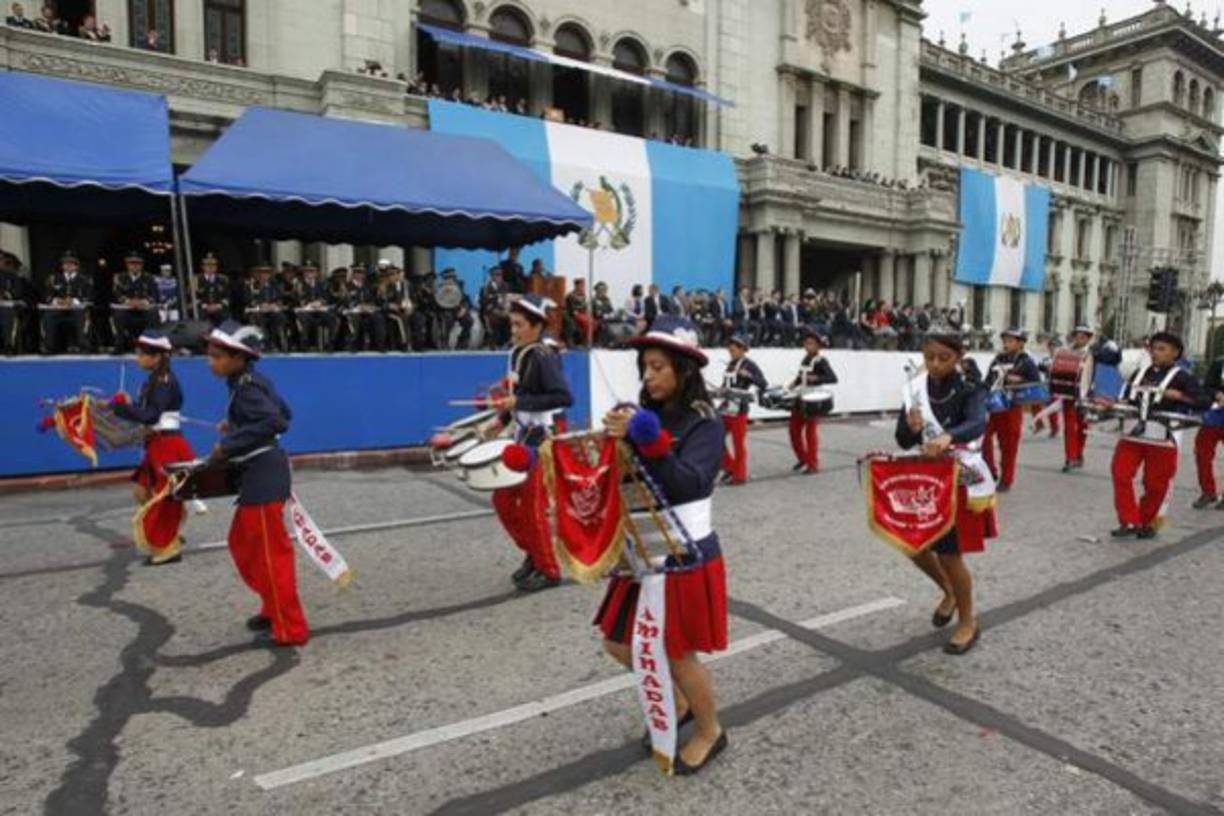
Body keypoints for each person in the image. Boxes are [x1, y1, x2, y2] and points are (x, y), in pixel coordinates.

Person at [596, 315, 729, 775]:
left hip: (684, 552)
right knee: (618, 642)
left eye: (658, 366)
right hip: (642, 549)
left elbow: (689, 484)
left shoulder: (706, 423)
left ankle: (712, 730)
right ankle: (679, 702)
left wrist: (648, 441)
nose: (649, 375)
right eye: (645, 366)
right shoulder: (643, 412)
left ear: (684, 370)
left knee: (676, 652)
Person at [205, 320, 308, 647]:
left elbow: (276, 421)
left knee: (269, 554)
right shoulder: (249, 381)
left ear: (239, 357)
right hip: (259, 473)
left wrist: (229, 443)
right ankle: (271, 606)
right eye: (211, 355)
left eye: (218, 356)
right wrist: (236, 424)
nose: (212, 362)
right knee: (242, 543)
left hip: (264, 473)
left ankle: (290, 627)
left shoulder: (247, 386)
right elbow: (284, 412)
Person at [896, 329, 996, 655]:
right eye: (929, 358)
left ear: (959, 358)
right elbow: (903, 440)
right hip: (926, 476)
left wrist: (948, 436)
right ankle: (949, 592)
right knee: (913, 546)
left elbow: (978, 422)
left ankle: (968, 621)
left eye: (944, 358)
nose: (935, 364)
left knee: (950, 556)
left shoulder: (971, 388)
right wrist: (910, 429)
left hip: (960, 476)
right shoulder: (915, 389)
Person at [490, 294, 573, 592]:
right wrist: (499, 420)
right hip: (519, 436)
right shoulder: (518, 353)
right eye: (512, 324)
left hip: (540, 440)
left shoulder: (542, 355)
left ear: (537, 326)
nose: (513, 330)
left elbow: (564, 397)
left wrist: (519, 400)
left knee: (531, 508)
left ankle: (549, 569)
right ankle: (533, 553)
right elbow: (518, 398)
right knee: (502, 500)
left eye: (519, 324)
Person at [110, 331, 197, 565]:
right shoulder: (154, 380)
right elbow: (145, 410)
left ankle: (168, 546)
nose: (138, 357)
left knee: (163, 497)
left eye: (143, 353)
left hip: (167, 444)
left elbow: (150, 416)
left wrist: (121, 409)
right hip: (157, 443)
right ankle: (172, 529)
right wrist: (128, 404)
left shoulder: (163, 381)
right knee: (141, 492)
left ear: (157, 357)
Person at [1110, 331, 1208, 539]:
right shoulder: (1139, 372)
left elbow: (1203, 401)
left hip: (1163, 438)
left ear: (1175, 353)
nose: (1155, 353)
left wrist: (1180, 395)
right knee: (1120, 474)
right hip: (1132, 434)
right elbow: (1128, 396)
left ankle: (1146, 521)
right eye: (1153, 348)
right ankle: (1129, 520)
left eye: (1161, 349)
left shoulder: (1183, 377)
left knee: (1156, 484)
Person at [983, 328, 1040, 492]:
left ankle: (1006, 479)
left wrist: (1019, 381)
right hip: (994, 406)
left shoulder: (1027, 362)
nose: (1006, 344)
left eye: (1010, 341)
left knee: (1009, 446)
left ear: (1020, 343)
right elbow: (988, 380)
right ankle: (990, 470)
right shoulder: (998, 359)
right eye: (1005, 341)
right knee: (983, 438)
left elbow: (1036, 386)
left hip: (1012, 408)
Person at [788, 326, 838, 473]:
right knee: (793, 430)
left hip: (813, 400)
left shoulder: (821, 360)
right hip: (801, 397)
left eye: (811, 343)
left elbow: (833, 378)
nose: (808, 346)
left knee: (810, 433)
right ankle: (803, 458)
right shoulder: (805, 359)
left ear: (817, 345)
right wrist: (791, 385)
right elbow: (800, 377)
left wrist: (817, 377)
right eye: (806, 343)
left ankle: (813, 464)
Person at [719, 335, 767, 485]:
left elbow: (763, 383)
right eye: (730, 351)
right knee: (714, 435)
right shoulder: (731, 364)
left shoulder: (749, 364)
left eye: (733, 351)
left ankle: (740, 475)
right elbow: (726, 384)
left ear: (742, 350)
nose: (731, 353)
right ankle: (729, 466)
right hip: (727, 405)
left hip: (739, 407)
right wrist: (721, 390)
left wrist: (749, 376)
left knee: (738, 443)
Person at [1060, 326, 1097, 471]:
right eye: (1077, 336)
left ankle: (1078, 455)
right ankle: (1070, 458)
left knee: (1082, 427)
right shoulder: (1067, 352)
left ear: (1088, 339)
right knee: (1069, 427)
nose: (1079, 339)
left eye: (1083, 337)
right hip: (1069, 393)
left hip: (1086, 393)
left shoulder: (1094, 353)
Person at [41, 250, 93, 354]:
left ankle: (83, 345)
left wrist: (74, 301)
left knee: (82, 315)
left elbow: (89, 296)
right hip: (58, 308)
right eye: (65, 263)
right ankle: (48, 346)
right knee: (48, 316)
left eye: (71, 263)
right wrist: (58, 300)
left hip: (77, 309)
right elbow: (47, 295)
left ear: (77, 265)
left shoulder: (85, 279)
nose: (68, 265)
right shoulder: (54, 278)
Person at [1193, 354, 1224, 508]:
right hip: (1215, 417)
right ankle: (1208, 491)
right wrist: (1217, 395)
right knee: (1202, 453)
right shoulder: (1219, 363)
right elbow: (1207, 387)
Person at [294, 261, 338, 351]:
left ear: (317, 273)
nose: (309, 274)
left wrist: (321, 302)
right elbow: (296, 300)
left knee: (332, 317)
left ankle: (331, 343)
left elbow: (329, 298)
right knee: (304, 318)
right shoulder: (299, 285)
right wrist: (307, 304)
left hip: (320, 310)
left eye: (312, 271)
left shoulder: (324, 284)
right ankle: (305, 344)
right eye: (306, 271)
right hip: (306, 311)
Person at [244, 265, 288, 352]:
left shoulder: (276, 285)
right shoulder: (253, 285)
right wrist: (260, 305)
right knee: (259, 319)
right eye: (263, 273)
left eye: (267, 273)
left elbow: (280, 299)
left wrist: (273, 305)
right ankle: (264, 343)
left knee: (279, 317)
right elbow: (249, 300)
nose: (265, 275)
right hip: (258, 311)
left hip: (272, 310)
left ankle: (275, 343)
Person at [343, 264, 386, 351]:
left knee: (378, 317)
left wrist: (380, 295)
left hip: (367, 311)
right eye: (358, 273)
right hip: (353, 311)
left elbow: (374, 301)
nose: (360, 275)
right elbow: (345, 301)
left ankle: (379, 344)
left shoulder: (369, 287)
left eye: (362, 273)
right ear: (353, 274)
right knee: (354, 318)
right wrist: (357, 306)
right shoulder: (347, 286)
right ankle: (353, 344)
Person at [381, 265, 414, 351]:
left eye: (396, 274)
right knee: (401, 319)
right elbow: (381, 302)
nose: (394, 277)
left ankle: (417, 343)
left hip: (406, 309)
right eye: (391, 275)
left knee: (419, 318)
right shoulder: (385, 287)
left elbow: (415, 300)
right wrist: (389, 305)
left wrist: (412, 307)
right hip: (391, 312)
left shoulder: (407, 286)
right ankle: (405, 343)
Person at [480, 268, 510, 348]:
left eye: (499, 274)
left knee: (510, 319)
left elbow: (508, 298)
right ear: (491, 276)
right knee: (495, 321)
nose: (497, 277)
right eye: (495, 275)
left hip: (504, 310)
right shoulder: (486, 287)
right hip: (491, 311)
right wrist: (493, 306)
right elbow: (484, 302)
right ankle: (494, 343)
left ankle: (507, 342)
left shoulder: (505, 285)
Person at [0, 253, 24, 354]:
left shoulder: (11, 276)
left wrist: (6, 294)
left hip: (5, 305)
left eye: (1, 260)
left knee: (8, 314)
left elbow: (18, 292)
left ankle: (8, 345)